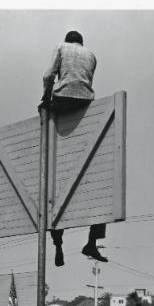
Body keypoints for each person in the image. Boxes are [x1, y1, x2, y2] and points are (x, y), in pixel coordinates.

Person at [40, 30, 107, 266]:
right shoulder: (92, 55)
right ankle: (92, 242)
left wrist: (46, 99)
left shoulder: (60, 47)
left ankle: (58, 243)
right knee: (99, 189)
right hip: (86, 101)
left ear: (69, 41)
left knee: (55, 182)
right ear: (81, 43)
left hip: (63, 99)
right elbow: (86, 80)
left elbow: (49, 76)